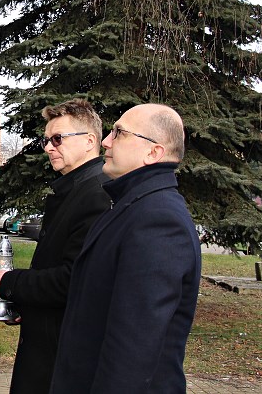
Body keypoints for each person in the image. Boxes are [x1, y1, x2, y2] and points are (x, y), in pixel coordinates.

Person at [49, 103, 201, 394]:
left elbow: (134, 345)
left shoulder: (158, 219)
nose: (106, 141)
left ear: (153, 152)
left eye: (119, 133)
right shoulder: (131, 206)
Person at [0, 99, 112, 394]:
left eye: (58, 139)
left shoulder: (96, 194)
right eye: (46, 140)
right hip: (49, 345)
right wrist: (26, 304)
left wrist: (10, 283)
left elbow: (74, 279)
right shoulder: (74, 189)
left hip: (64, 356)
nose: (49, 147)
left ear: (90, 141)